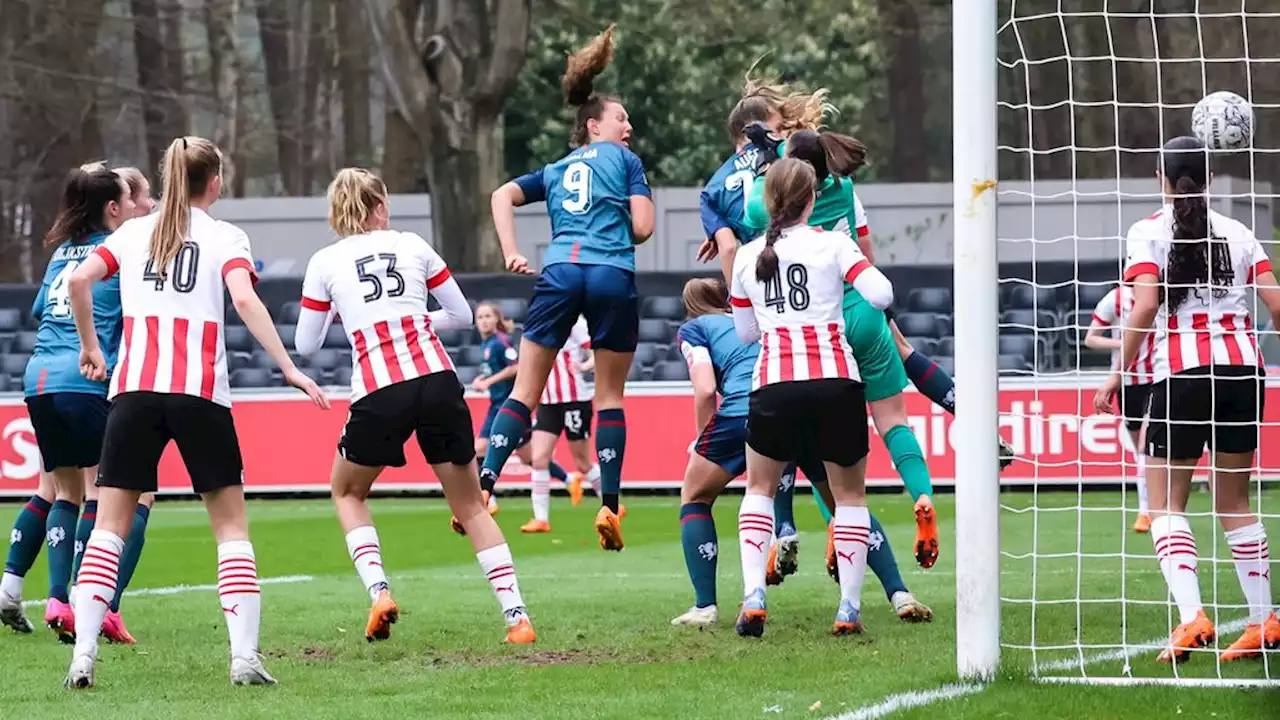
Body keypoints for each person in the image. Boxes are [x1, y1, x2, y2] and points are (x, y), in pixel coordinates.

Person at [62, 135, 329, 689]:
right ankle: (244, 658)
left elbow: (78, 279)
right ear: (216, 181)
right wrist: (288, 367)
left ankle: (82, 656)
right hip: (200, 393)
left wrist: (91, 347)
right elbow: (246, 300)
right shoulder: (225, 235)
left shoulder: (132, 232)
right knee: (230, 527)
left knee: (108, 527)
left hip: (134, 392)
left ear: (165, 179)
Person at [295, 168, 536, 646]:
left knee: (347, 492)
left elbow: (306, 344)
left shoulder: (325, 261)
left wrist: (356, 318)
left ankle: (380, 592)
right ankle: (517, 617)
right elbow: (463, 316)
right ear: (380, 207)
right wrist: (411, 318)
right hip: (436, 378)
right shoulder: (412, 244)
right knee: (470, 506)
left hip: (379, 388)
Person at [1095, 135, 1280, 663]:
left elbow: (1147, 303)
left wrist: (1120, 372)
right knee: (1235, 502)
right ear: (1211, 179)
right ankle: (1263, 621)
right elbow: (1274, 302)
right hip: (1245, 370)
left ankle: (1192, 618)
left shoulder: (1148, 230)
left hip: (1183, 372)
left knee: (1166, 503)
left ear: (1160, 177)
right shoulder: (1240, 231)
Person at [671, 278, 931, 627]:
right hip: (806, 396)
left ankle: (707, 605)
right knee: (848, 502)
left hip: (748, 406)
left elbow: (705, 388)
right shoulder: (760, 317)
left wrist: (703, 438)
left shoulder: (695, 329)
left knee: (697, 496)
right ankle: (899, 593)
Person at [740, 129, 941, 579]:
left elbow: (758, 205)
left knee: (815, 448)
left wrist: (765, 161)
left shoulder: (773, 205)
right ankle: (922, 496)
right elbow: (868, 257)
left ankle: (833, 527)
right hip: (861, 306)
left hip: (818, 326)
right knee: (893, 421)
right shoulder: (845, 188)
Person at [485, 25, 654, 551]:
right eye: (621, 118)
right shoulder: (625, 162)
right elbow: (644, 228)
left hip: (558, 273)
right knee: (608, 396)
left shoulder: (556, 169)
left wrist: (513, 251)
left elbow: (501, 194)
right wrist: (614, 221)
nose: (628, 126)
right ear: (594, 125)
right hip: (611, 274)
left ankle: (485, 484)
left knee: (524, 391)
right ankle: (608, 504)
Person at [729, 157, 893, 638]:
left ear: (767, 201)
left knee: (758, 490)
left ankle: (755, 594)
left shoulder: (745, 255)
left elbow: (744, 333)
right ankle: (848, 608)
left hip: (774, 383)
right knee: (849, 496)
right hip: (836, 381)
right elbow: (881, 295)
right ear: (813, 199)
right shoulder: (834, 244)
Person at [0, 166, 146, 646]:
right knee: (111, 492)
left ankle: (53, 598)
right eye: (127, 200)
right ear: (112, 207)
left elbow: (43, 310)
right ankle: (91, 600)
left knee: (63, 490)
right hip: (85, 378)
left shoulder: (63, 252)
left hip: (39, 378)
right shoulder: (116, 254)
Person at [465, 301, 571, 528]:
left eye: (487, 316)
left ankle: (487, 499)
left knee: (479, 449)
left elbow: (515, 367)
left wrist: (488, 382)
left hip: (508, 408)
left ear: (496, 319)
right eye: (479, 317)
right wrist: (481, 381)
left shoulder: (501, 343)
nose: (483, 320)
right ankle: (569, 480)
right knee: (529, 457)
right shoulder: (486, 345)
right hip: (497, 405)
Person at [1085, 284, 1155, 533]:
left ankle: (1146, 511)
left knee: (1147, 445)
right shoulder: (1115, 298)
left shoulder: (1163, 292)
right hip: (1126, 381)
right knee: (1142, 451)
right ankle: (1152, 504)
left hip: (1160, 377)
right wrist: (1125, 345)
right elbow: (1090, 338)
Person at [524, 314, 602, 533]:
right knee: (538, 458)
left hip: (574, 400)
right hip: (548, 402)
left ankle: (611, 505)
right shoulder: (541, 319)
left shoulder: (574, 322)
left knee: (583, 462)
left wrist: (585, 366)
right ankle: (541, 519)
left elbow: (595, 352)